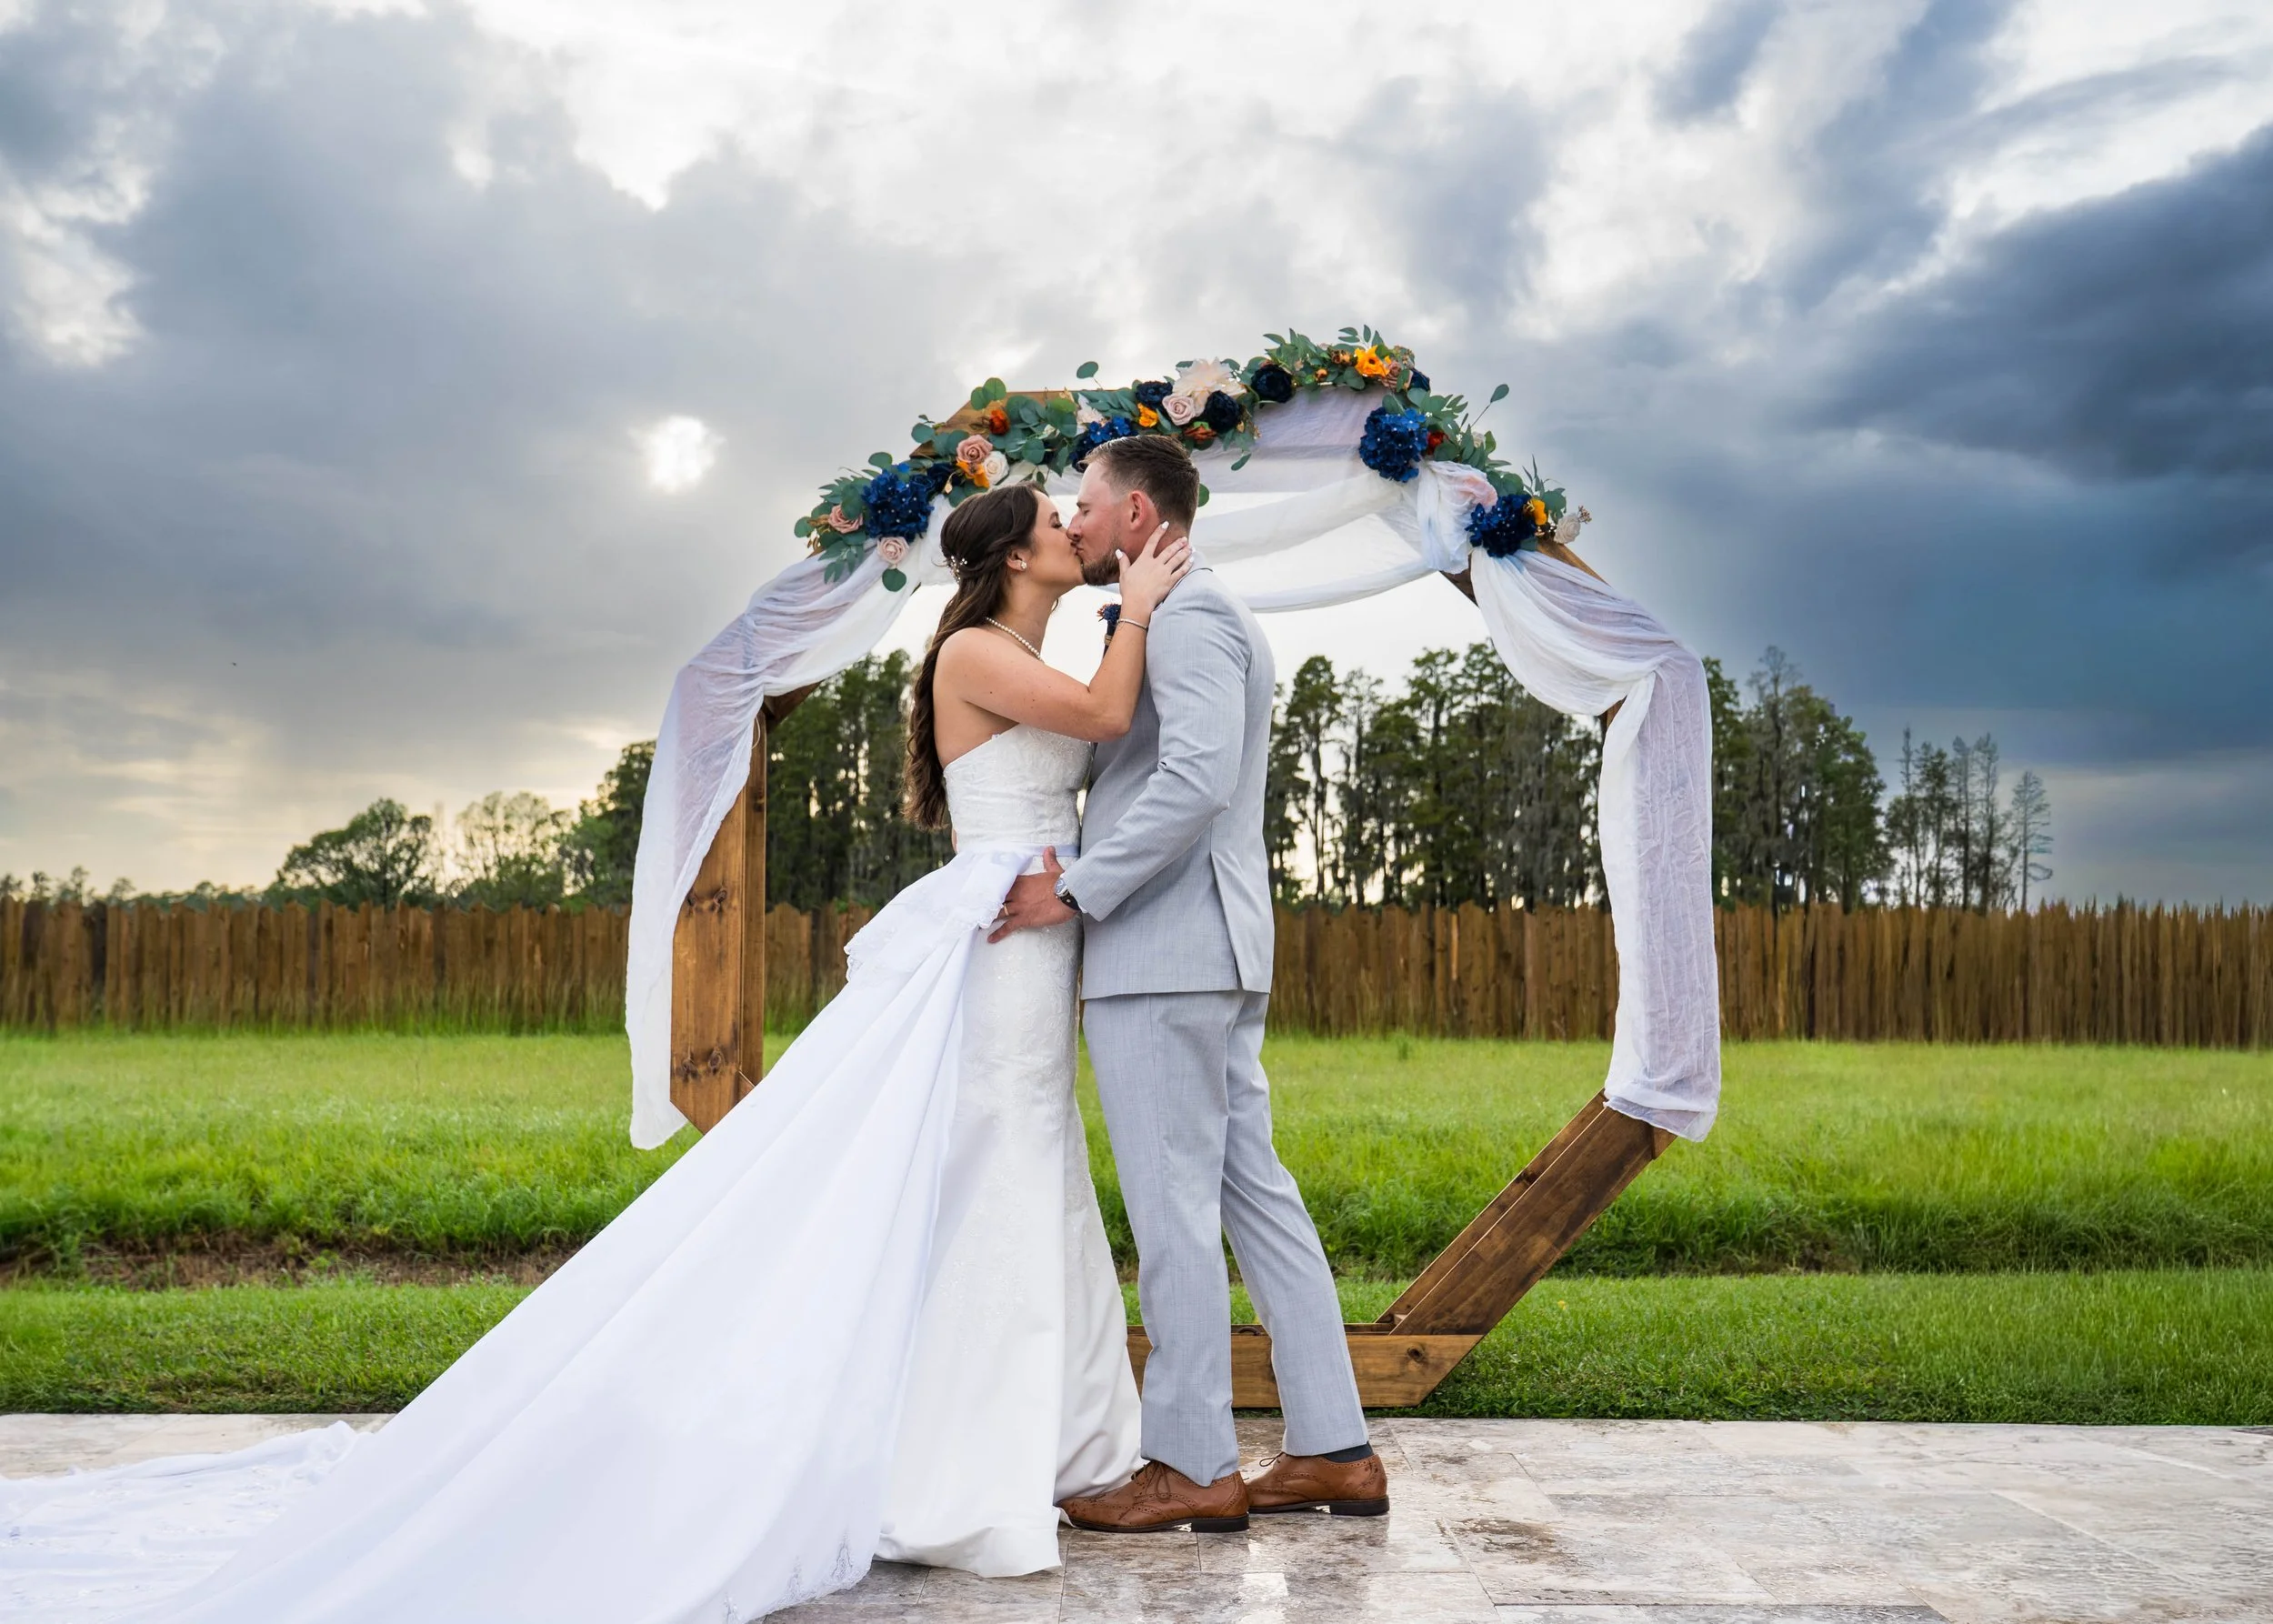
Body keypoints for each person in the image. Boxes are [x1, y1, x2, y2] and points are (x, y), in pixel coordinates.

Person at [0, 483, 1192, 1621]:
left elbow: (1099, 731)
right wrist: (1135, 611)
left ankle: (1056, 1435)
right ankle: (959, 1462)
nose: (1071, 527)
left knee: (1031, 1156)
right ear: (1013, 557)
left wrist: (1122, 630)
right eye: (1052, 520)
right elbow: (1102, 720)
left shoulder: (1039, 648)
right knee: (1002, 1159)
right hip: (1002, 929)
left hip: (1040, 924)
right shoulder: (977, 649)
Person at [990, 434, 1387, 1530]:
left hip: (1165, 953)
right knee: (1255, 1201)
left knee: (1173, 1211)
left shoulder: (1195, 613)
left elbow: (1197, 778)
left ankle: (1190, 1463)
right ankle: (1335, 1448)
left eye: (1084, 504)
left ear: (1135, 517)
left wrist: (1077, 889)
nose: (1069, 521)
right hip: (1199, 951)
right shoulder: (1166, 612)